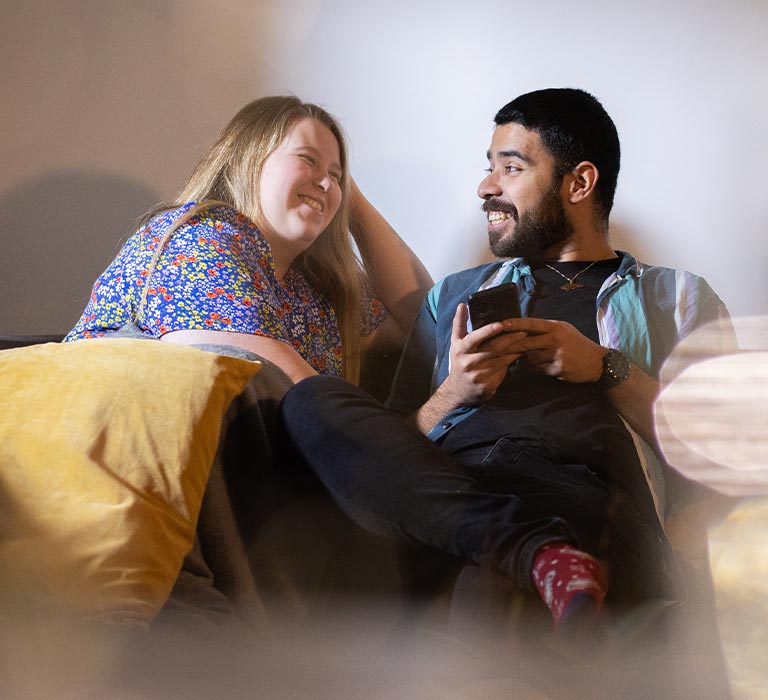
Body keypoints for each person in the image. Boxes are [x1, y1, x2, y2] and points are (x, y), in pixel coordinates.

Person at [278, 88, 735, 633]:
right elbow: (390, 445)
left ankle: (528, 566)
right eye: (488, 168)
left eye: (510, 168)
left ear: (579, 183)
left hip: (580, 493)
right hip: (448, 490)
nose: (485, 187)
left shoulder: (677, 298)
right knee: (311, 399)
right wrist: (455, 392)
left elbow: (719, 458)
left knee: (482, 584)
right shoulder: (453, 297)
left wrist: (604, 368)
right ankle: (530, 556)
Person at [66, 95, 433, 386]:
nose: (326, 182)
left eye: (336, 175)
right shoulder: (197, 240)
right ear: (248, 161)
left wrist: (351, 202)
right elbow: (302, 393)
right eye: (307, 159)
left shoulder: (308, 293)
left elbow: (428, 325)